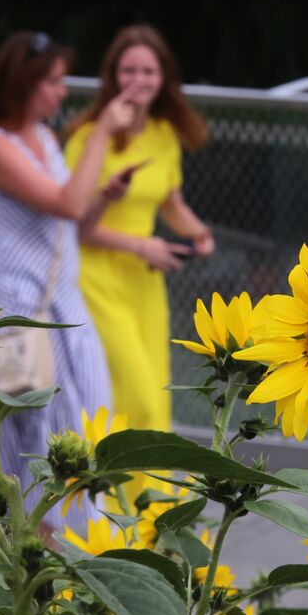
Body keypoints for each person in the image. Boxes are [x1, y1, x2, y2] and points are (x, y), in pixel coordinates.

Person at [0, 31, 134, 526]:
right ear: (24, 84)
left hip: (64, 309)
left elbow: (68, 217)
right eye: (54, 82)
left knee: (87, 436)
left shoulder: (41, 138)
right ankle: (47, 566)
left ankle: (83, 557)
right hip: (20, 318)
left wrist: (104, 196)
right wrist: (101, 132)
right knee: (38, 451)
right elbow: (65, 202)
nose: (62, 92)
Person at [64, 24, 215, 435]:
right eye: (128, 71)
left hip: (145, 284)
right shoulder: (87, 137)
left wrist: (199, 234)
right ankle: (109, 498)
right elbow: (74, 226)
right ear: (112, 76)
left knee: (157, 403)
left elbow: (171, 201)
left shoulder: (164, 135)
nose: (138, 80)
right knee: (136, 400)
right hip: (95, 280)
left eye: (147, 71)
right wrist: (139, 245)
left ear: (163, 77)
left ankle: (155, 500)